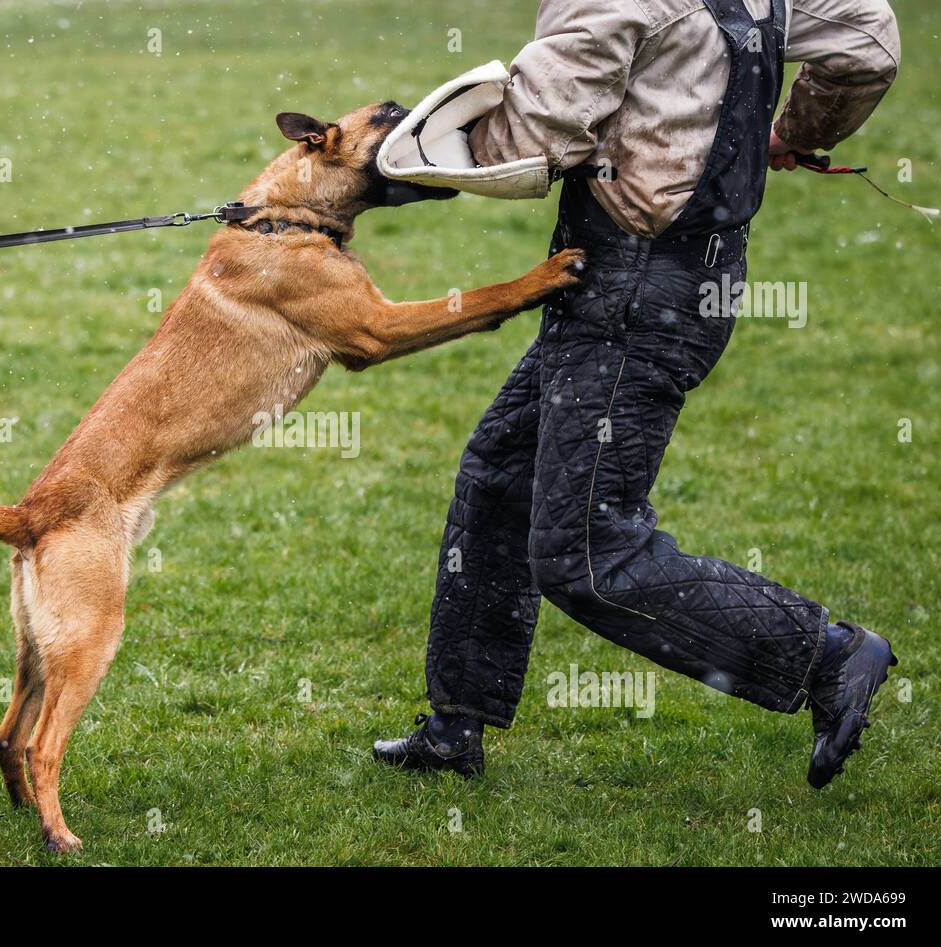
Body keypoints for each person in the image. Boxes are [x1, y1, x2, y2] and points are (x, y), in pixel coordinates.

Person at [373, 0, 901, 788]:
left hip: (634, 287)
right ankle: (456, 726)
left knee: (586, 551)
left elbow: (537, 129)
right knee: (500, 475)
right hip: (691, 274)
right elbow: (871, 42)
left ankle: (827, 654)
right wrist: (798, 132)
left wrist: (407, 156)